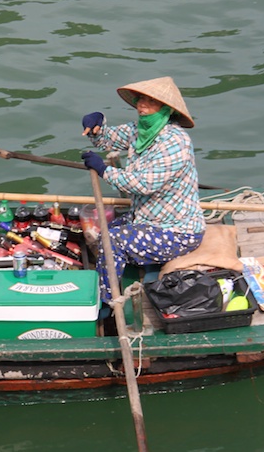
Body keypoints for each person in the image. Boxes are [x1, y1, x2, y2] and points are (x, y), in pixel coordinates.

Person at [80, 76, 205, 304]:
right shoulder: (140, 130)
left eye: (151, 101)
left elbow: (142, 184)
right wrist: (96, 126)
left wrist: (103, 169)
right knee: (103, 233)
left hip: (177, 232)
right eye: (140, 100)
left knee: (112, 240)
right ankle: (109, 274)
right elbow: (106, 140)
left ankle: (106, 301)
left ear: (166, 109)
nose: (142, 106)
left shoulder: (176, 142)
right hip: (146, 219)